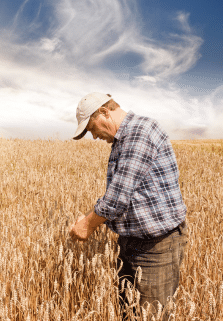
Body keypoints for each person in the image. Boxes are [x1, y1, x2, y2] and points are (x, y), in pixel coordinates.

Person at [69, 92, 188, 320]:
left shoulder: (139, 133)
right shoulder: (124, 137)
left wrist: (87, 225)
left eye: (91, 128)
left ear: (104, 112)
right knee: (129, 314)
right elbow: (121, 195)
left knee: (150, 316)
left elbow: (117, 198)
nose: (93, 136)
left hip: (157, 247)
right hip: (132, 243)